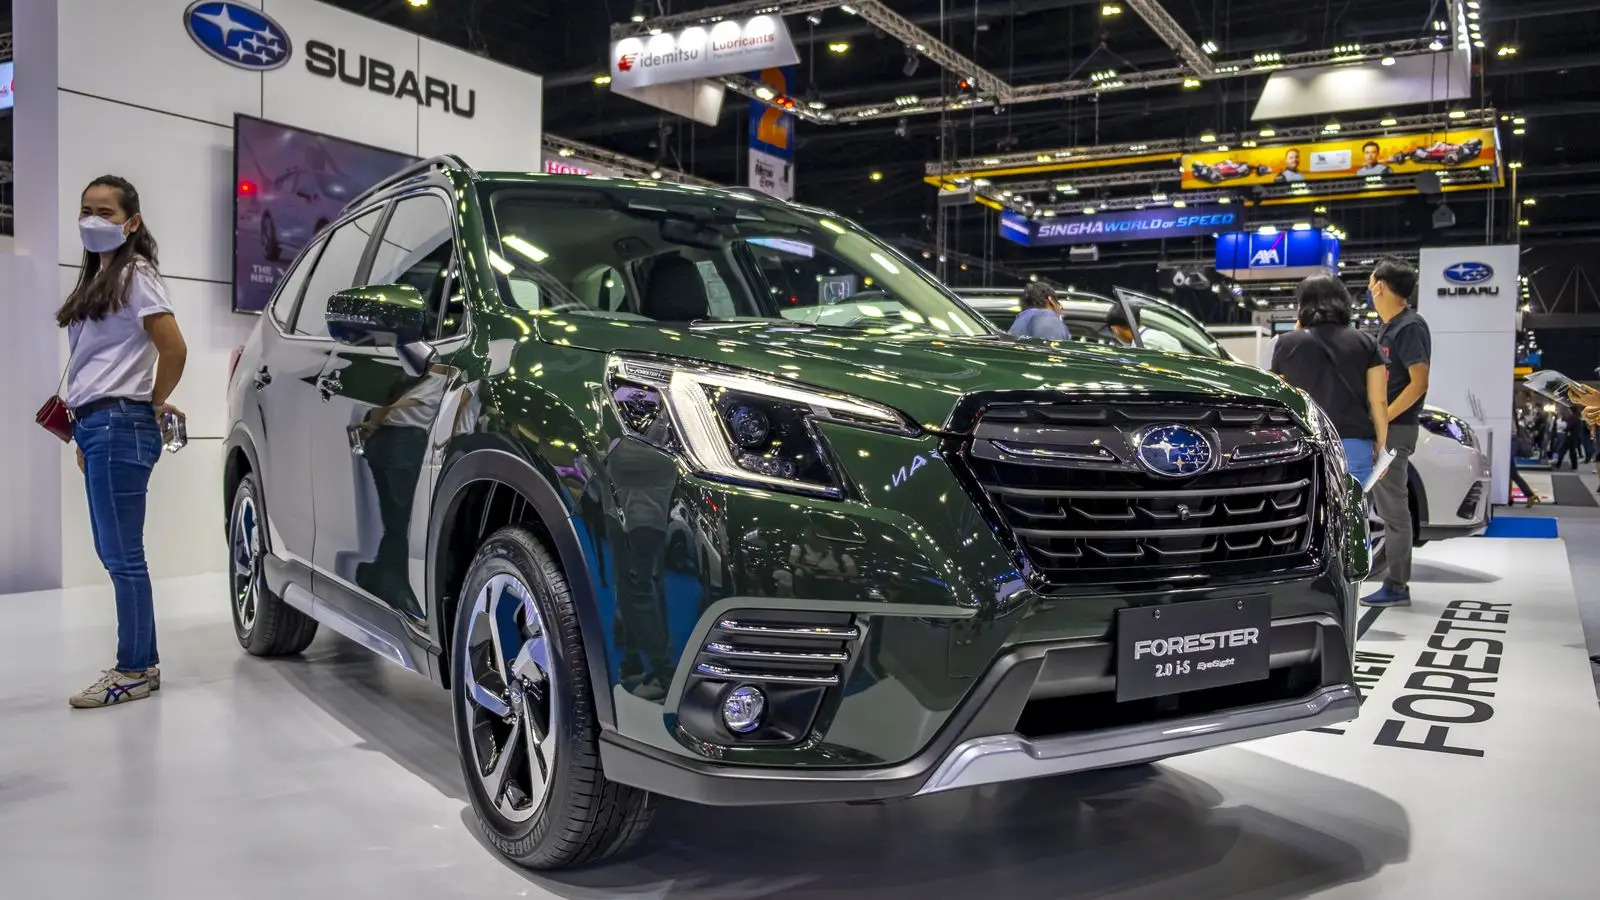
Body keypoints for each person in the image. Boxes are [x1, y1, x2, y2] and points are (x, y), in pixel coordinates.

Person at [58, 175, 188, 708]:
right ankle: (143, 663)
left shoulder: (136, 275)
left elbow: (174, 349)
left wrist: (150, 404)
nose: (93, 220)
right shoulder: (102, 278)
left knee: (123, 556)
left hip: (117, 423)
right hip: (98, 425)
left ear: (132, 222)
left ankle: (132, 669)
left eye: (105, 212)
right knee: (117, 553)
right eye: (86, 210)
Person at [1269, 274, 1389, 487]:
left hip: (1303, 442)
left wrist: (1300, 327)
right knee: (1353, 504)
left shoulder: (1285, 344)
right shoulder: (1366, 342)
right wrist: (1381, 443)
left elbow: (1278, 397)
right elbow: (1378, 400)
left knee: (1307, 503)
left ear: (1303, 304)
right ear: (1343, 301)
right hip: (1354, 444)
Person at [1365, 258, 1428, 608]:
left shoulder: (1410, 327)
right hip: (1387, 429)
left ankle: (1398, 584)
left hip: (1395, 430)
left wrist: (1383, 420)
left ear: (1380, 286)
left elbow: (1418, 383)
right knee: (1387, 507)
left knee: (1394, 510)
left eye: (1370, 282)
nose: (1368, 289)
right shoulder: (1390, 327)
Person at [1105, 304, 1184, 352]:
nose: (1115, 335)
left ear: (1116, 328)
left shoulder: (1143, 344)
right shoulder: (1161, 335)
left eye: (1113, 331)